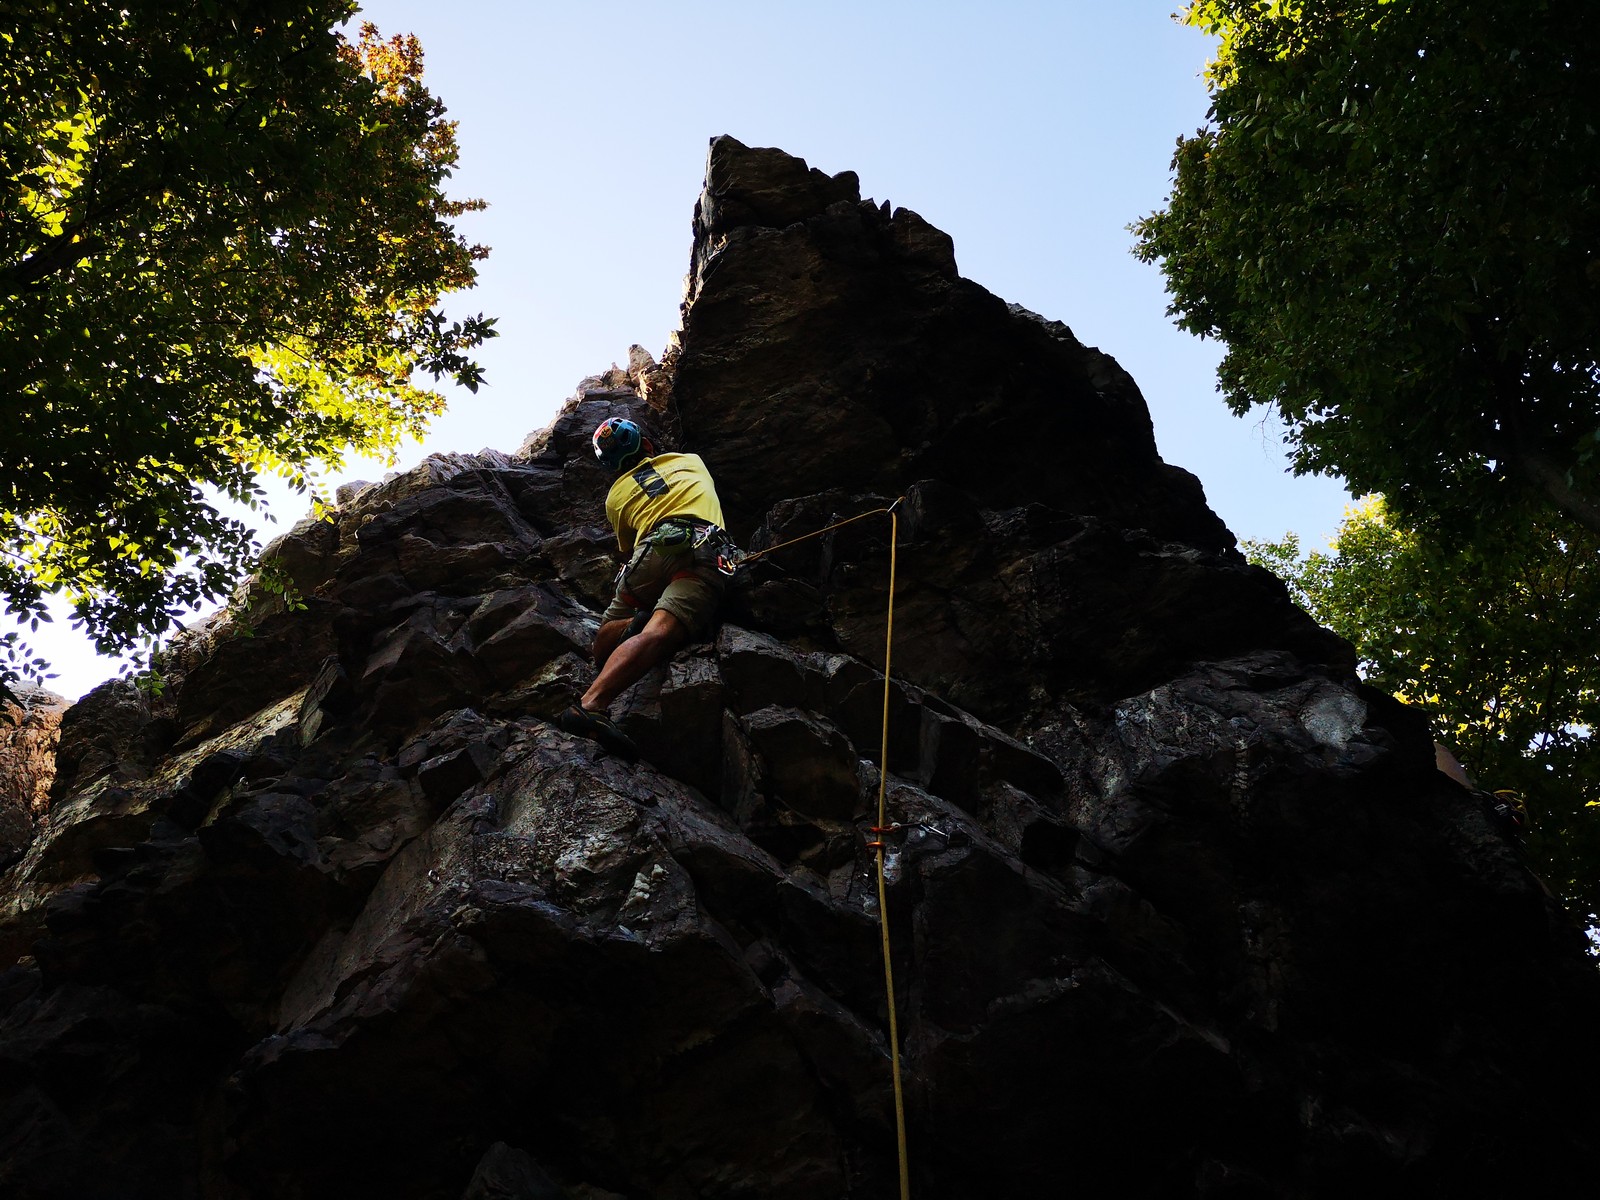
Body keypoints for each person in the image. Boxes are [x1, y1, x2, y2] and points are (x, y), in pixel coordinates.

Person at [557, 417, 734, 759]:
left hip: (649, 551)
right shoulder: (691, 461)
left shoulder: (615, 498)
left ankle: (600, 682)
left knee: (606, 636)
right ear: (648, 445)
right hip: (701, 546)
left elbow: (625, 547)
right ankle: (595, 697)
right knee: (660, 631)